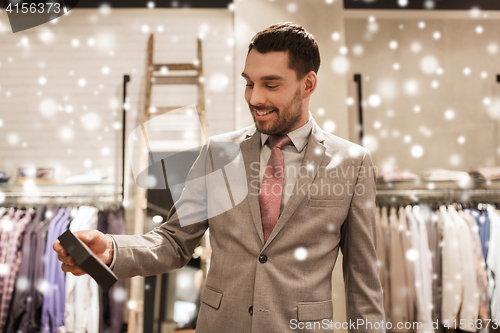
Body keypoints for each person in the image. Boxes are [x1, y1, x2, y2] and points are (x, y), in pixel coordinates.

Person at [54, 22, 385, 332]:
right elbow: (174, 241)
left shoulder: (352, 163)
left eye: (271, 84)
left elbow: (362, 279)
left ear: (308, 84)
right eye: (249, 83)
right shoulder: (218, 152)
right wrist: (112, 249)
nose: (255, 98)